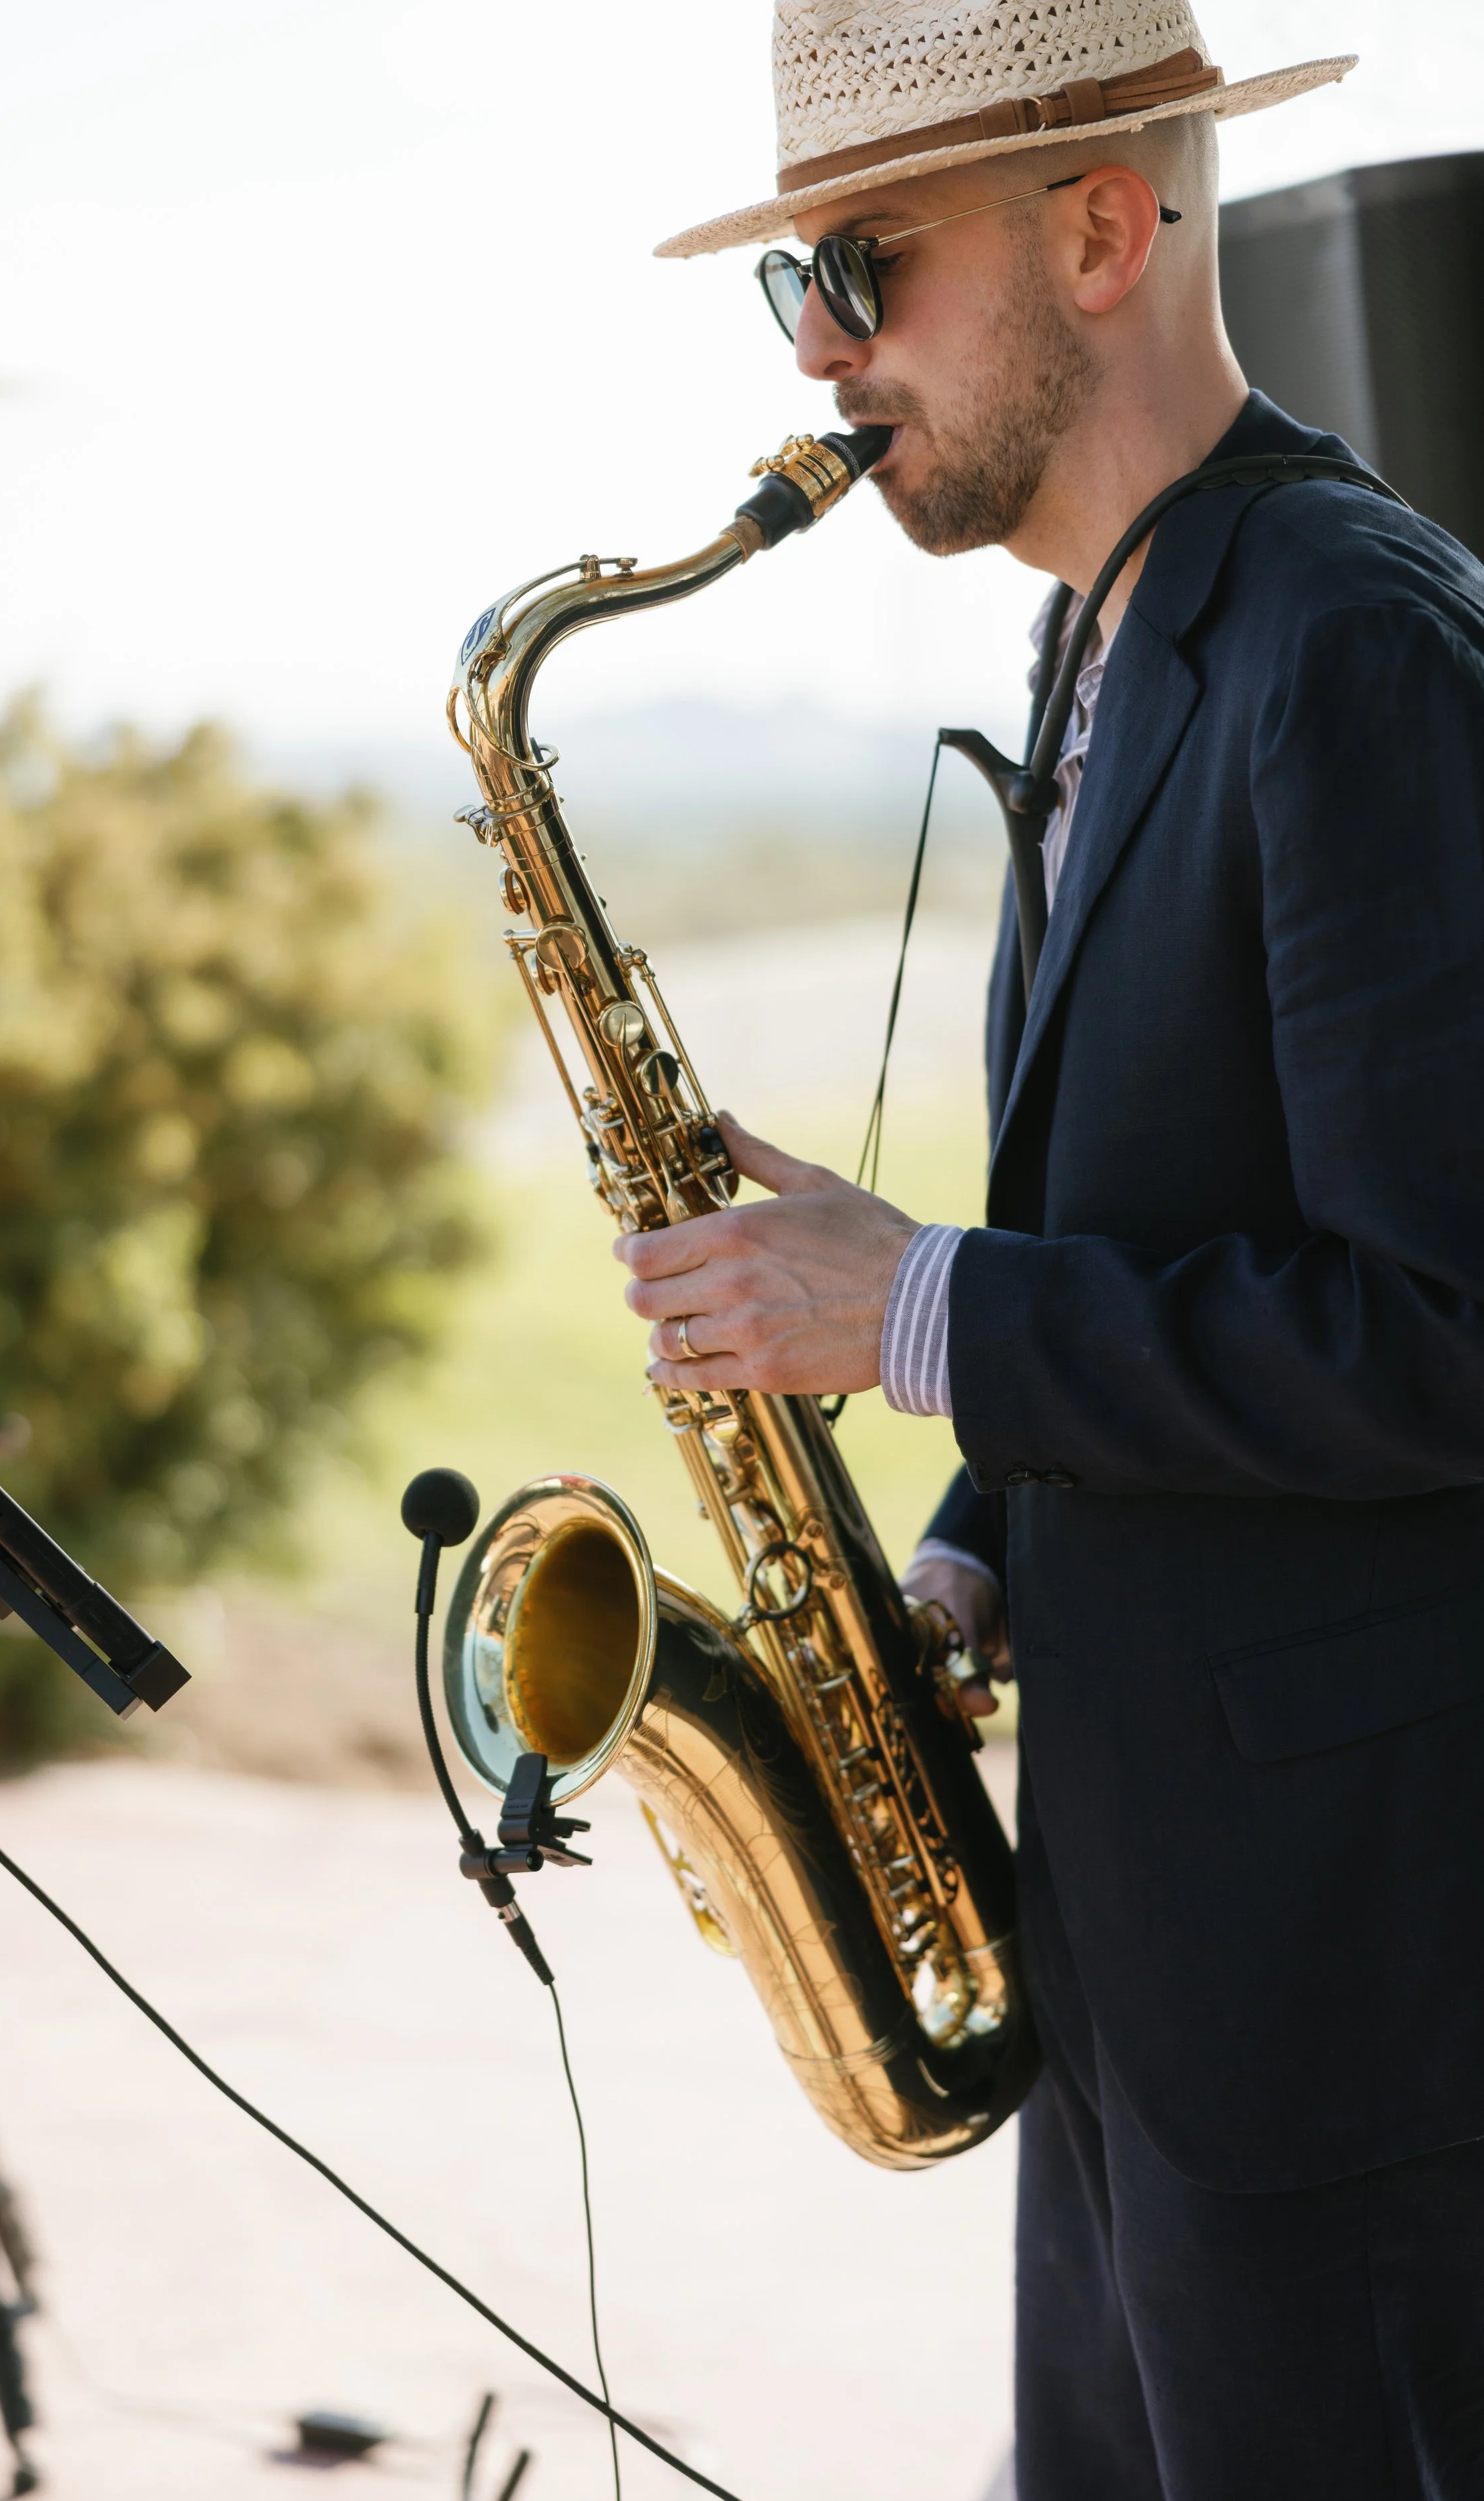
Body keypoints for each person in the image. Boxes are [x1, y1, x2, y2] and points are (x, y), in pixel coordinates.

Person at [618, 8, 1484, 2497]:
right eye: (794, 277)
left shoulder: (1352, 645)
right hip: (1159, 1963)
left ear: (1101, 231)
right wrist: (981, 1554)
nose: (815, 347)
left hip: (1344, 2024)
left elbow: (1445, 1326)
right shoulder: (1103, 630)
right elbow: (1168, 1220)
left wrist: (909, 1314)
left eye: (866, 267)